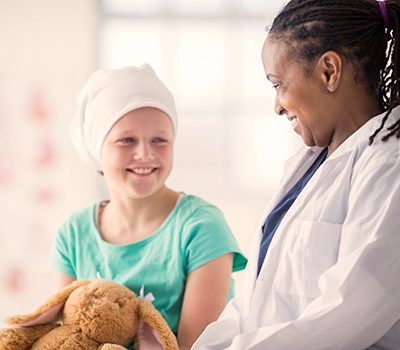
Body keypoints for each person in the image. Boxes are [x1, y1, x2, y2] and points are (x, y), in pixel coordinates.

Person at [192, 0, 400, 349]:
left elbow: (346, 314)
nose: (276, 106)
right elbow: (255, 303)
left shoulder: (388, 164)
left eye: (278, 84)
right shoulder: (307, 165)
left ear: (329, 71)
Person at [50, 64, 247, 350]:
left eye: (159, 140)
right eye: (126, 140)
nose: (144, 153)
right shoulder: (73, 233)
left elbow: (199, 347)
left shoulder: (202, 227)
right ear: (96, 147)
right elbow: (66, 339)